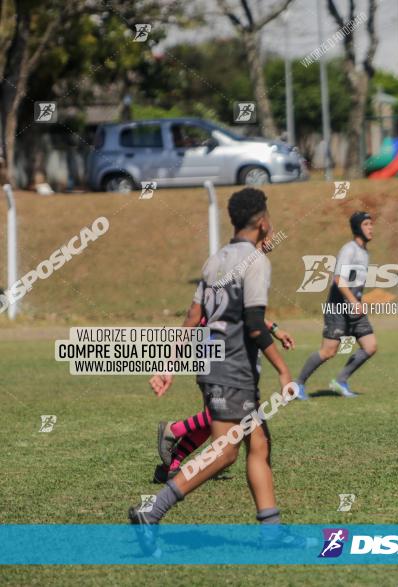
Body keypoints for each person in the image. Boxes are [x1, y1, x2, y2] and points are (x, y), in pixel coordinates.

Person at [129, 188, 298, 553]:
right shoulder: (256, 261)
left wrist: (168, 364)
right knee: (224, 453)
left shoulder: (215, 259)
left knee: (259, 443)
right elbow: (254, 323)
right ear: (263, 221)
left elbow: (193, 318)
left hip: (213, 361)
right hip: (232, 368)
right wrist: (284, 372)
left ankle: (272, 532)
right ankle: (152, 512)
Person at [152, 234, 294, 484]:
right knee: (224, 414)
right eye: (267, 235)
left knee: (215, 418)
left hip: (214, 342)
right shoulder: (245, 264)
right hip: (218, 343)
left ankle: (171, 465)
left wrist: (275, 329)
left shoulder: (237, 264)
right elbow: (236, 313)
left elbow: (243, 312)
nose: (272, 241)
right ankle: (174, 430)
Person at [292, 211, 376, 399]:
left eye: (371, 223)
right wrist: (354, 301)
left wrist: (358, 300)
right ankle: (298, 384)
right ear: (357, 228)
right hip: (338, 307)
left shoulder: (364, 252)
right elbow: (338, 279)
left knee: (370, 346)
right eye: (366, 224)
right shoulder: (349, 249)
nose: (371, 227)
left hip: (354, 308)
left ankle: (341, 381)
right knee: (329, 351)